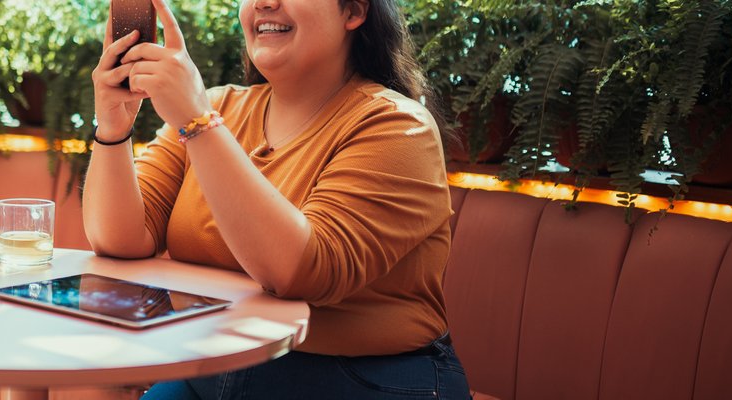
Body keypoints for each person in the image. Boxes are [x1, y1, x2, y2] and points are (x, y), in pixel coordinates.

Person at [84, 0, 470, 398]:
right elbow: (122, 239)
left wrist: (198, 123)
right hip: (212, 364)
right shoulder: (219, 107)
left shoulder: (398, 126)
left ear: (353, 12)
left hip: (365, 377)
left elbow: (302, 272)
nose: (264, 2)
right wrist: (113, 123)